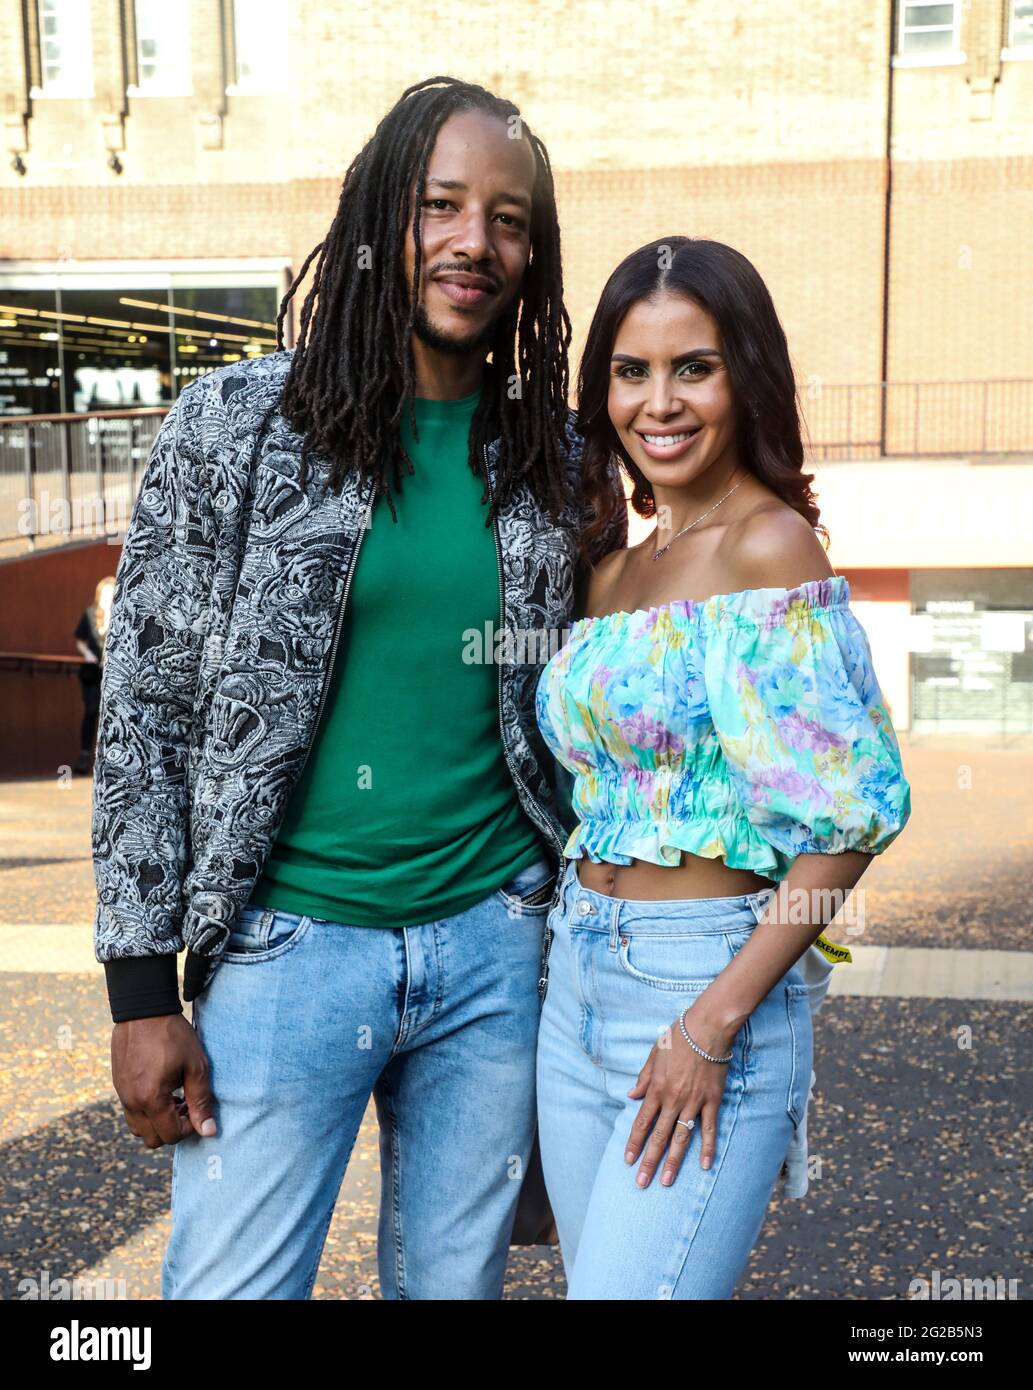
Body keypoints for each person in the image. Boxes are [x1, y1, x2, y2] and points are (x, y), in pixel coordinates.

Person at [91, 76, 626, 1300]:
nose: (472, 242)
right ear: (387, 215)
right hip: (288, 947)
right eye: (441, 204)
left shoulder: (556, 457)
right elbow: (146, 708)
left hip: (496, 946)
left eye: (507, 219)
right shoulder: (234, 425)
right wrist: (139, 988)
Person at [534, 237, 911, 1299]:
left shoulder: (767, 549)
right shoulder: (613, 567)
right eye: (630, 369)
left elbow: (848, 823)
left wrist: (709, 1023)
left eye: (692, 366)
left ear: (744, 373)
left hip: (703, 984)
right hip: (577, 975)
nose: (660, 401)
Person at [73, 576, 114, 775]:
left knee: (110, 714)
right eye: (106, 593)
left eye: (112, 593)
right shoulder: (90, 615)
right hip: (91, 673)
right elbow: (79, 639)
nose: (109, 597)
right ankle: (84, 755)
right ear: (100, 595)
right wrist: (87, 654)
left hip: (112, 673)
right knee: (91, 711)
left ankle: (108, 758)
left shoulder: (119, 615)